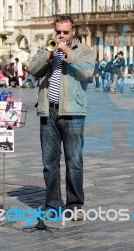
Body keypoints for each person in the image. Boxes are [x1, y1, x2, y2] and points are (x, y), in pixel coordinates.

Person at [28, 15, 94, 220]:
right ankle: (52, 205)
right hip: (49, 111)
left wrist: (67, 52)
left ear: (73, 31)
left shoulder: (83, 50)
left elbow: (87, 73)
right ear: (54, 31)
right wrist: (49, 54)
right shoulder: (46, 48)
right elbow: (32, 70)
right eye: (58, 31)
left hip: (73, 112)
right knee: (49, 162)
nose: (62, 35)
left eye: (66, 32)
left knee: (74, 161)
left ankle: (74, 205)